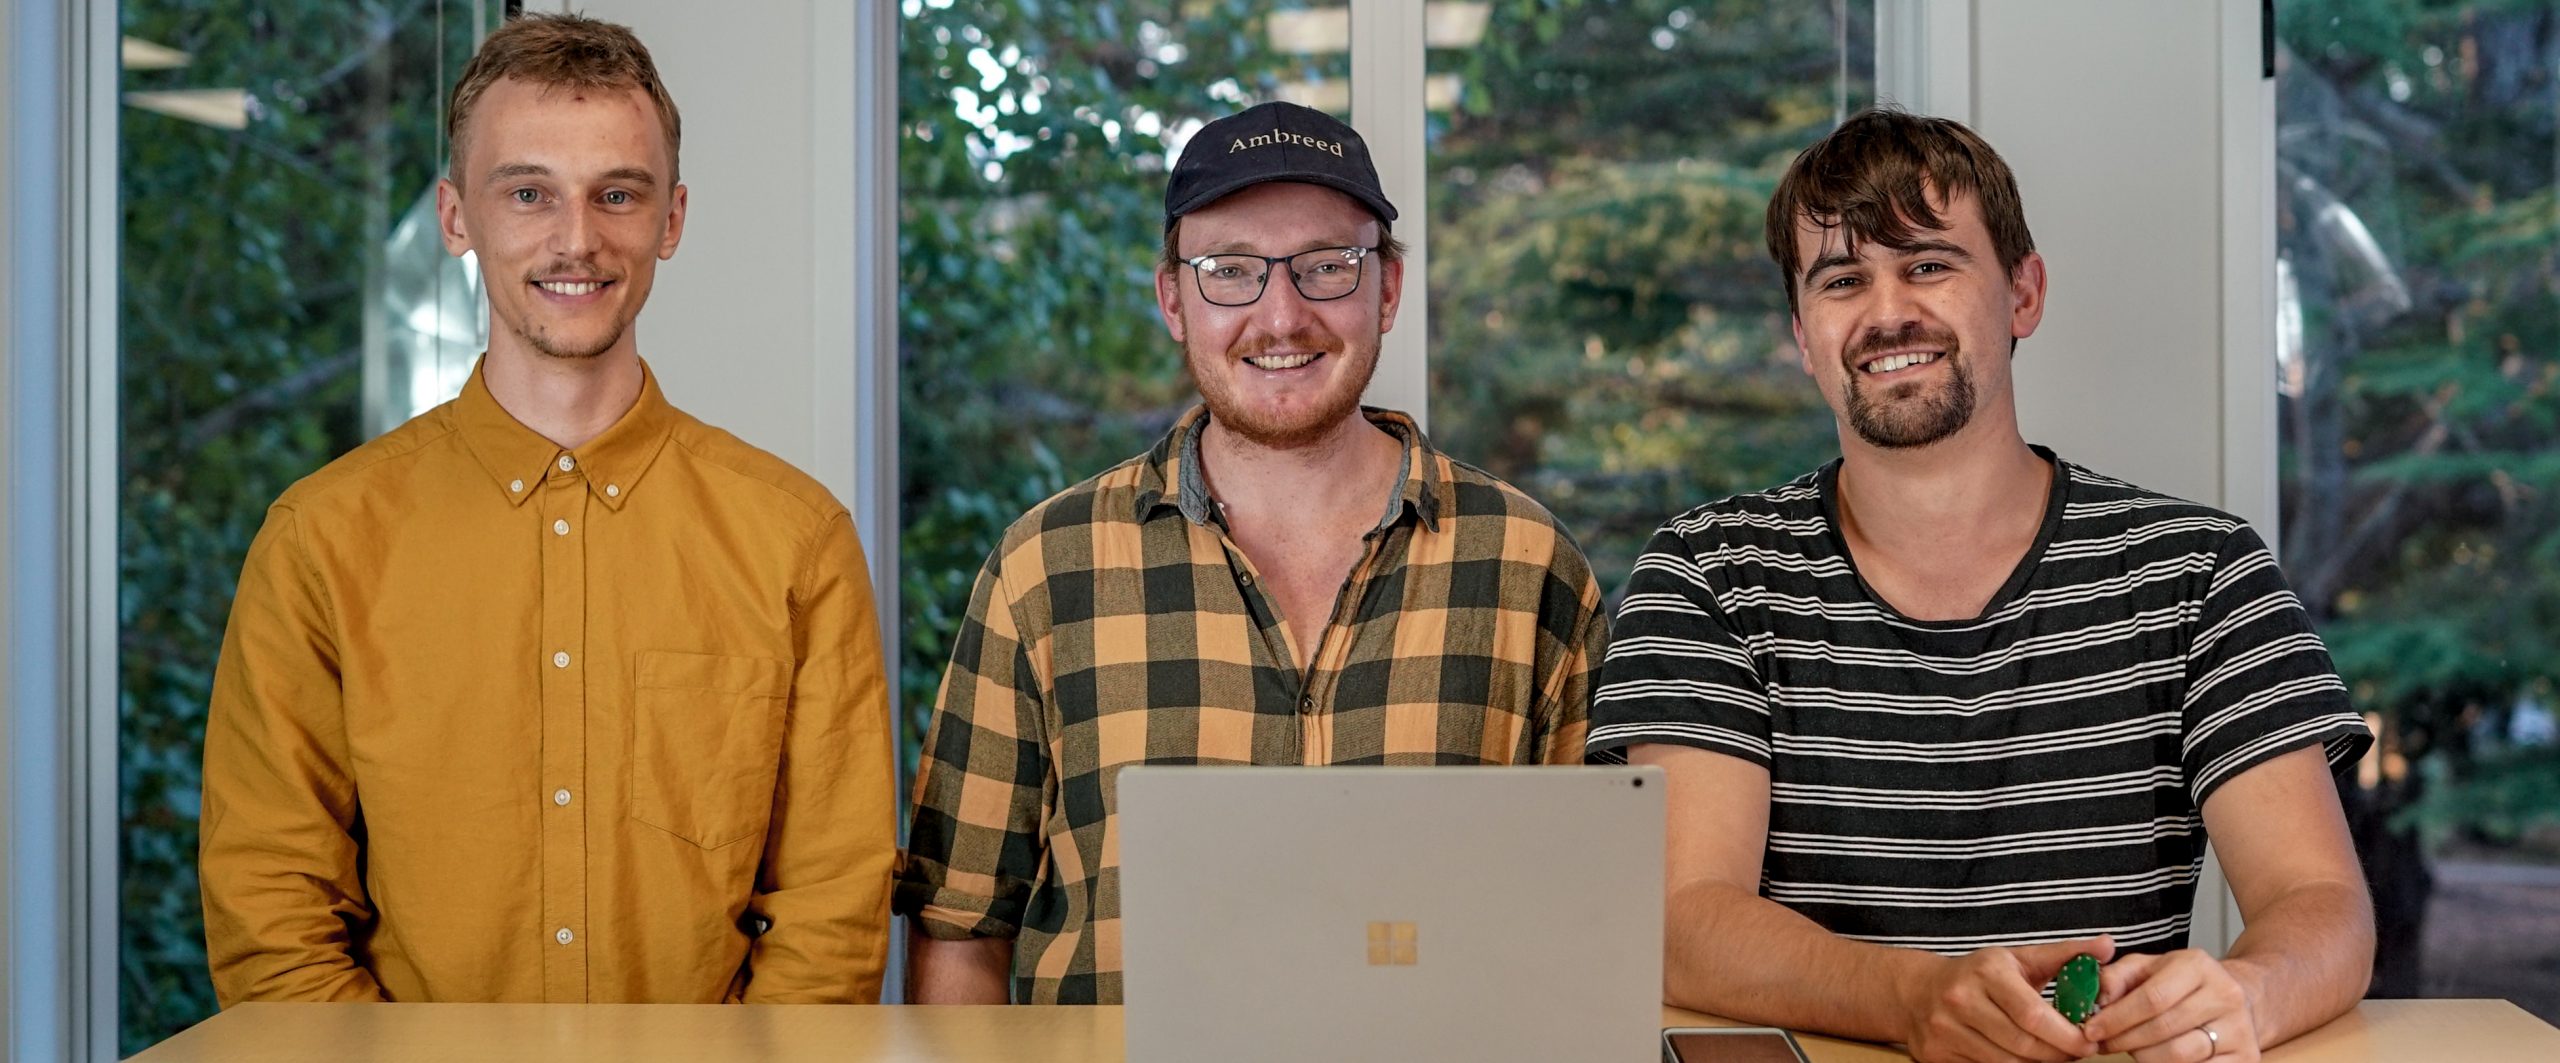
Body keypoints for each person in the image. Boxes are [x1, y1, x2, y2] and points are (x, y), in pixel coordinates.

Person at [1589, 109, 2374, 1063]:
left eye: (1928, 264)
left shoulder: (2197, 569)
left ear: (2023, 292)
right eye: (1843, 280)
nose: (1886, 314)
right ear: (1803, 334)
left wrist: (2245, 997)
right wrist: (1916, 995)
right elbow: (1685, 919)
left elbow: (2319, 903)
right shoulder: (1707, 569)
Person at [199, 12, 895, 1004]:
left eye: (617, 193)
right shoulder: (320, 540)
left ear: (672, 219)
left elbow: (833, 906)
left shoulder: (794, 540)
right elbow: (270, 907)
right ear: (455, 216)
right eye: (528, 193)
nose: (578, 239)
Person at [896, 101, 1610, 1004]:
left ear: (1387, 289)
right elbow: (960, 932)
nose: (1281, 315)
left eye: (1325, 267)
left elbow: (1588, 924)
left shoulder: (1528, 565)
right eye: (1230, 270)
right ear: (1172, 301)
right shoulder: (1045, 570)